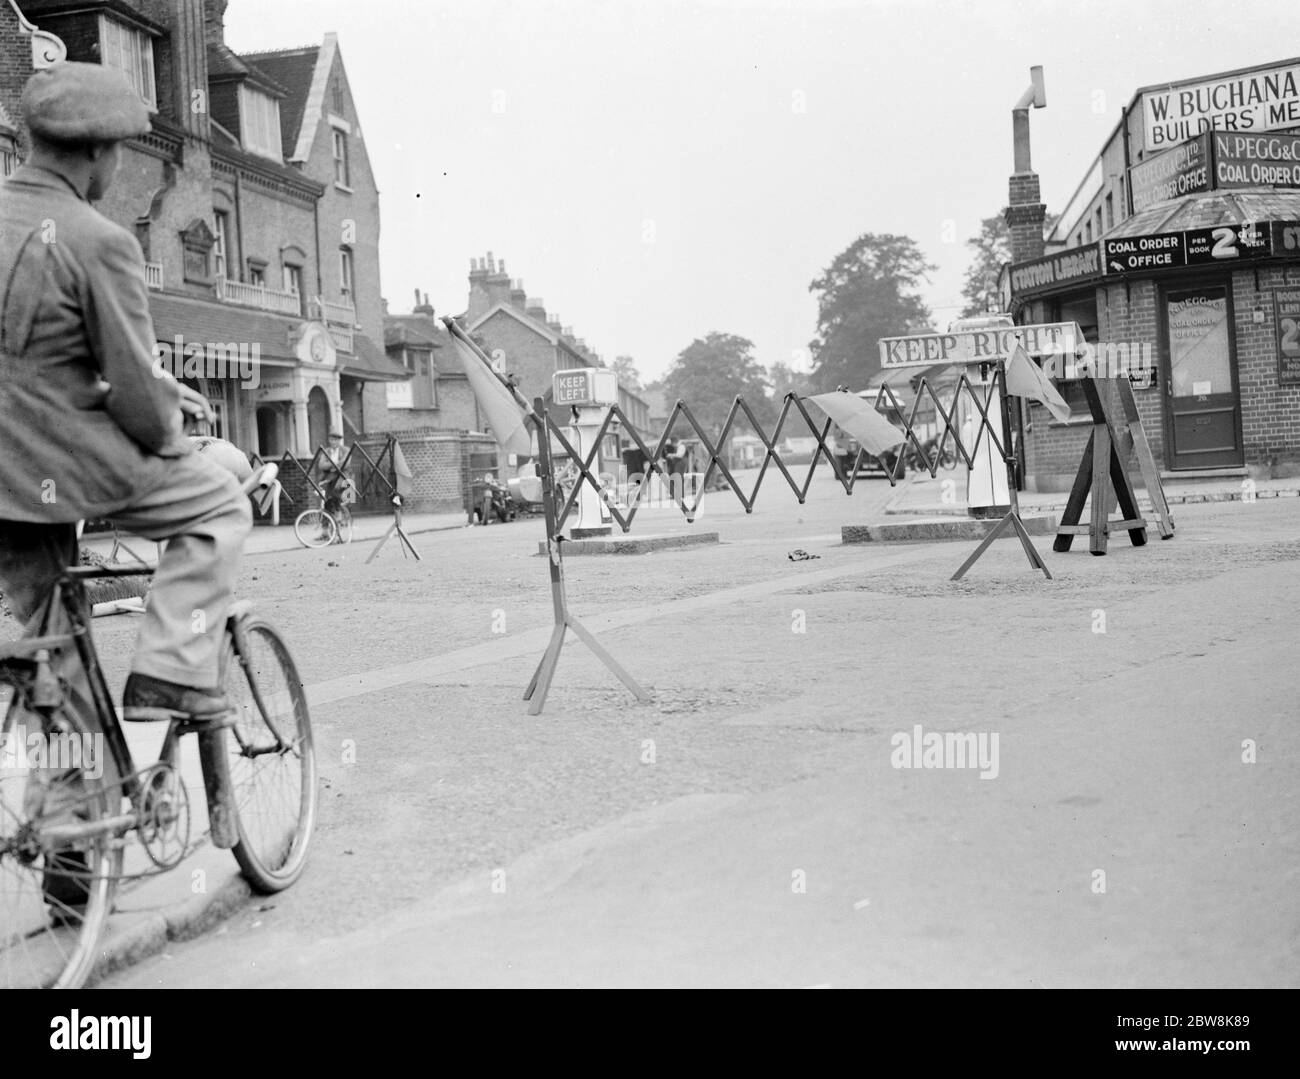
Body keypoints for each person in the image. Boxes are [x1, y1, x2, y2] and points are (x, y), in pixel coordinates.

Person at [0, 62, 252, 721]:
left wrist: (156, 382)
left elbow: (31, 351)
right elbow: (139, 404)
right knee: (219, 502)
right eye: (120, 150)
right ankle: (169, 675)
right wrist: (177, 432)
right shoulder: (99, 242)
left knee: (55, 641)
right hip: (58, 468)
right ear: (97, 153)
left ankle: (66, 812)